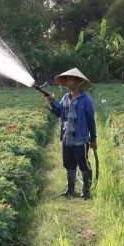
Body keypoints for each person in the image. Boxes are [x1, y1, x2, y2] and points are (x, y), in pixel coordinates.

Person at [44, 68, 97, 199]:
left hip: (80, 139)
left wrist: (93, 139)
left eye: (70, 79)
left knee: (83, 164)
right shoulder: (65, 98)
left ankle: (86, 191)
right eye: (66, 79)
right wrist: (51, 102)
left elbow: (91, 121)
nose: (67, 82)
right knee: (68, 164)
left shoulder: (86, 100)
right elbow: (58, 113)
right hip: (67, 138)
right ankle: (70, 189)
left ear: (78, 81)